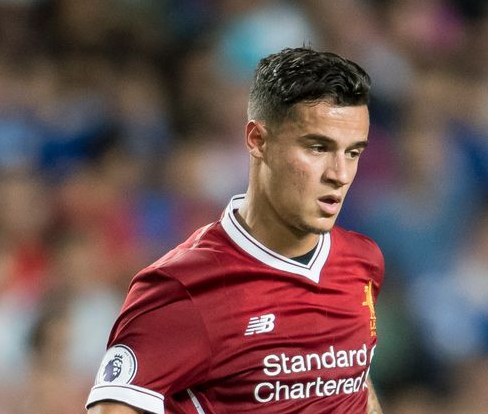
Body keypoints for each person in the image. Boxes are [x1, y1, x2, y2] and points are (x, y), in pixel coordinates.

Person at [85, 47, 385, 413]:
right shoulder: (183, 286)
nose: (339, 174)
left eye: (353, 152)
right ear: (258, 140)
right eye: (318, 147)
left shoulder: (362, 260)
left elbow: (353, 384)